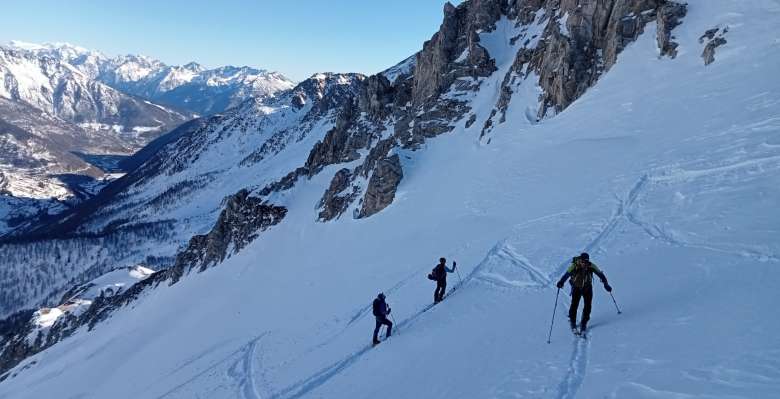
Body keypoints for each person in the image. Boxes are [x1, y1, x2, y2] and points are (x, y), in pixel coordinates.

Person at [556, 252, 612, 333]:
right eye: (583, 262)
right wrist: (561, 282)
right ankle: (572, 321)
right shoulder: (574, 266)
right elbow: (567, 274)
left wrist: (606, 284)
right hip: (576, 288)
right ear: (580, 260)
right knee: (574, 304)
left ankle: (584, 322)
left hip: (587, 288)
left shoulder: (591, 266)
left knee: (588, 305)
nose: (584, 264)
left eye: (586, 262)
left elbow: (601, 274)